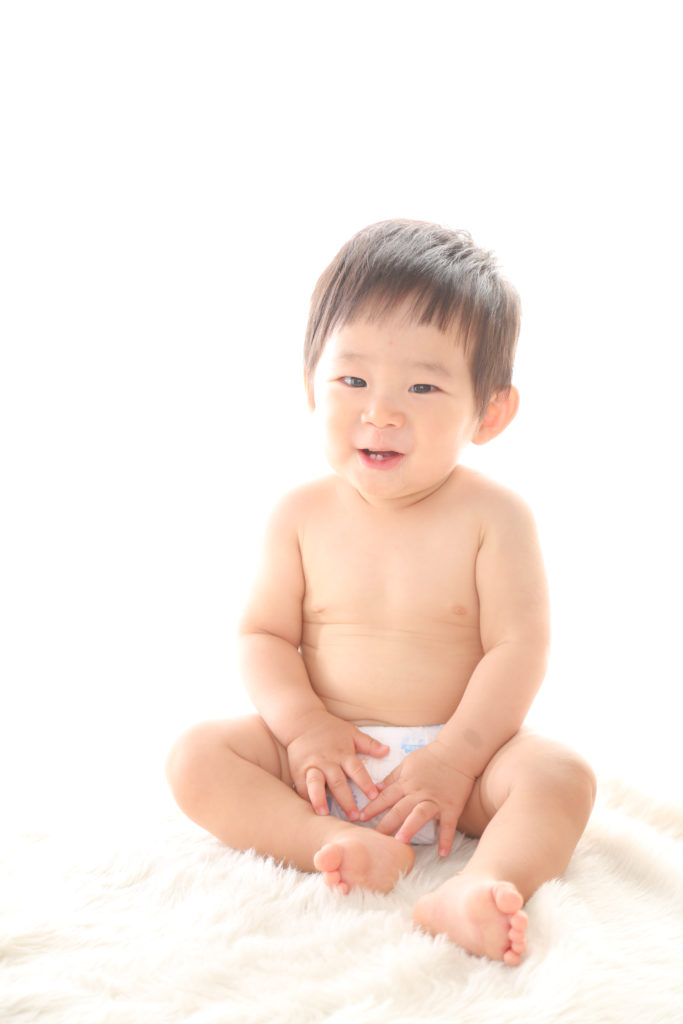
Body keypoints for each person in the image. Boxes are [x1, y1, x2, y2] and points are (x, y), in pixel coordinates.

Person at [166, 219, 596, 966]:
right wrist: (303, 728)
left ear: (489, 412)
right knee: (196, 756)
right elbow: (263, 635)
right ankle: (329, 840)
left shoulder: (494, 517)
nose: (381, 411)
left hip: (459, 764)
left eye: (422, 386)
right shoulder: (299, 515)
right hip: (326, 761)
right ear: (311, 386)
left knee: (560, 777)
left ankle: (478, 884)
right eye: (353, 380)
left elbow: (517, 648)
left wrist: (456, 759)